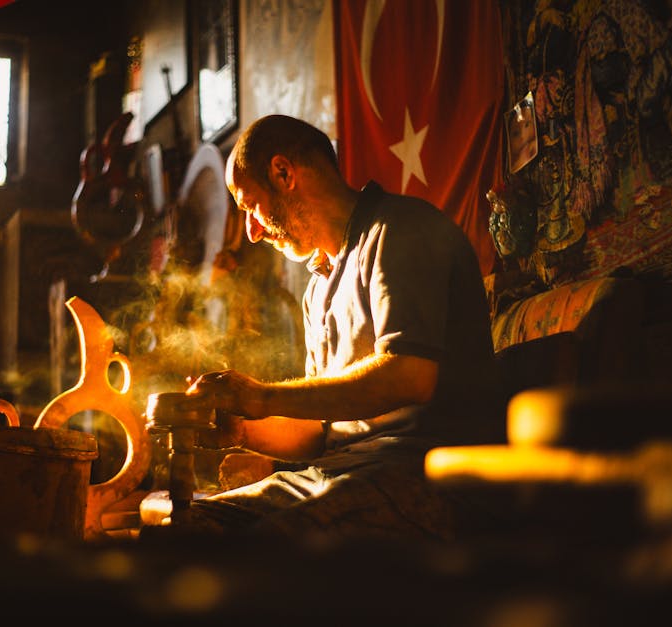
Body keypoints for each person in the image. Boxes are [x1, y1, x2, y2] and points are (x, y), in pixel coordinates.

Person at [159, 114, 506, 543]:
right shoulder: (318, 287)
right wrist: (243, 427)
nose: (251, 233)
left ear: (283, 173)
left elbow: (410, 376)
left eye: (250, 207)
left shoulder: (399, 230)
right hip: (334, 473)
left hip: (424, 469)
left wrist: (260, 395)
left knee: (267, 545)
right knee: (185, 532)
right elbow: (319, 431)